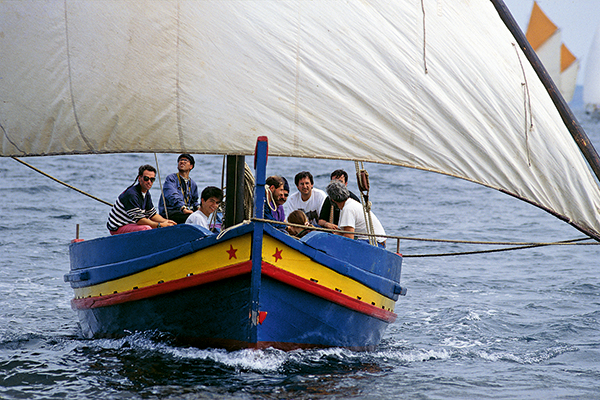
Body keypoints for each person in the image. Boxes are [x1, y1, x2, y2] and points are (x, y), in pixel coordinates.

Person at [107, 165, 177, 235]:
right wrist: (160, 225)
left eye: (152, 179)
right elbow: (140, 220)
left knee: (157, 227)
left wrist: (167, 222)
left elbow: (152, 215)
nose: (149, 182)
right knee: (147, 228)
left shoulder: (146, 193)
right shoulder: (131, 194)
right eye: (146, 178)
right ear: (139, 178)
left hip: (131, 224)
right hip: (118, 228)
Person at [325, 180, 386, 247]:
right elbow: (341, 232)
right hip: (377, 241)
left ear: (332, 199)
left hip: (375, 243)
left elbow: (349, 237)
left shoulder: (348, 208)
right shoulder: (349, 204)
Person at [158, 154, 199, 224]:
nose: (182, 162)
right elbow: (172, 195)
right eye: (180, 160)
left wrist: (199, 208)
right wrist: (183, 208)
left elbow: (194, 201)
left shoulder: (193, 184)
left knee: (199, 216)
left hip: (185, 212)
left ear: (191, 166)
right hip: (171, 212)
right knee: (193, 218)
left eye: (185, 160)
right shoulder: (171, 179)